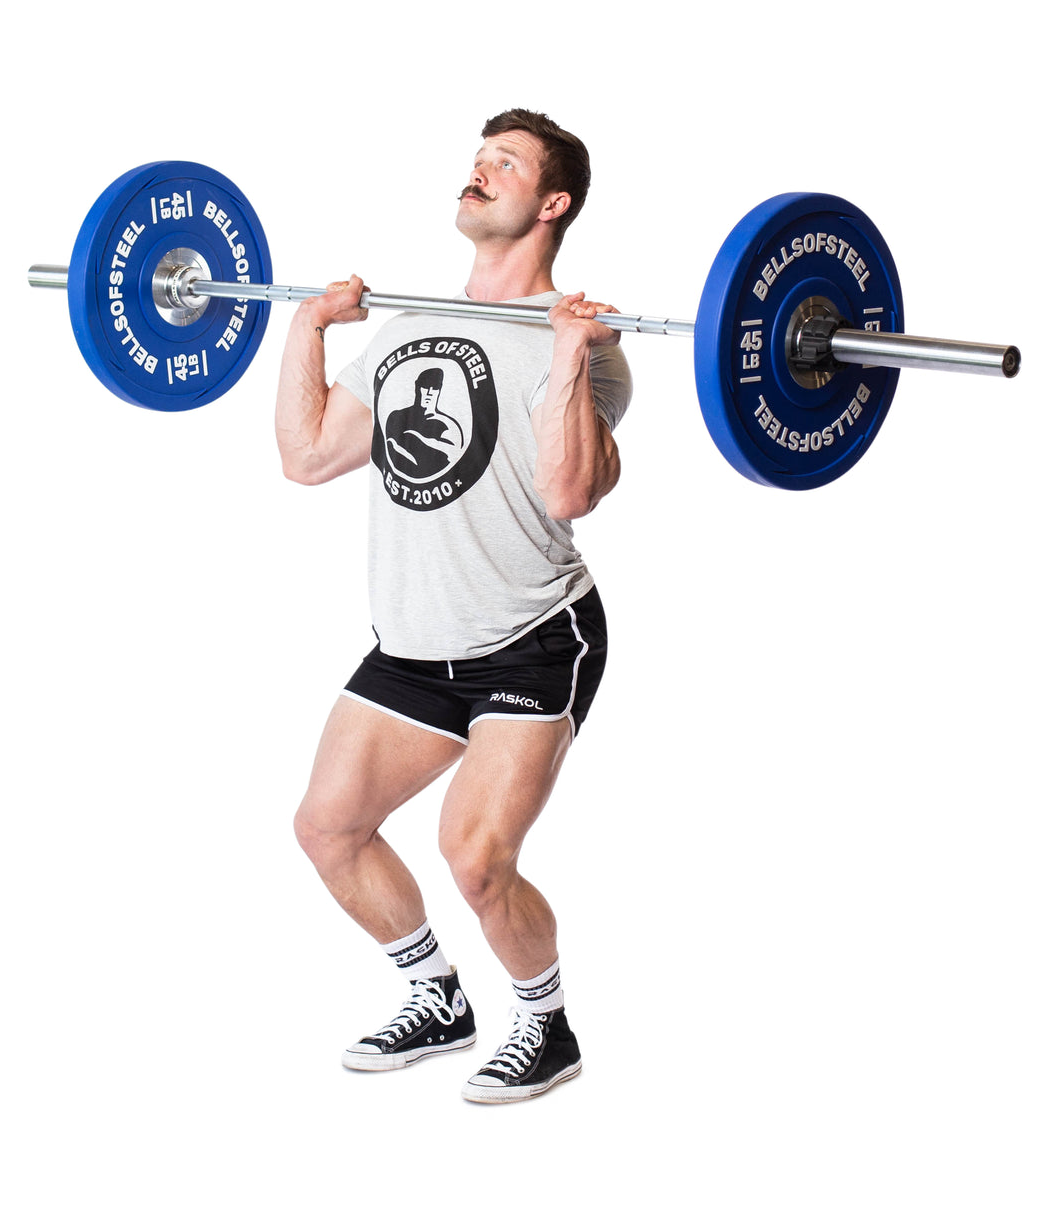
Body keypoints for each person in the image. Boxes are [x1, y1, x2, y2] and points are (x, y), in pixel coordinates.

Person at [274, 108, 631, 1103]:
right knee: (327, 827)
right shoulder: (408, 327)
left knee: (474, 855)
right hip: (416, 641)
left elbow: (569, 492)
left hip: (529, 634)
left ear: (549, 203)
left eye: (503, 164)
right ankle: (435, 995)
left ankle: (543, 1022)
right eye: (475, 160)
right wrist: (306, 326)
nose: (477, 173)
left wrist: (566, 359)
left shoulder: (588, 343)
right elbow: (305, 457)